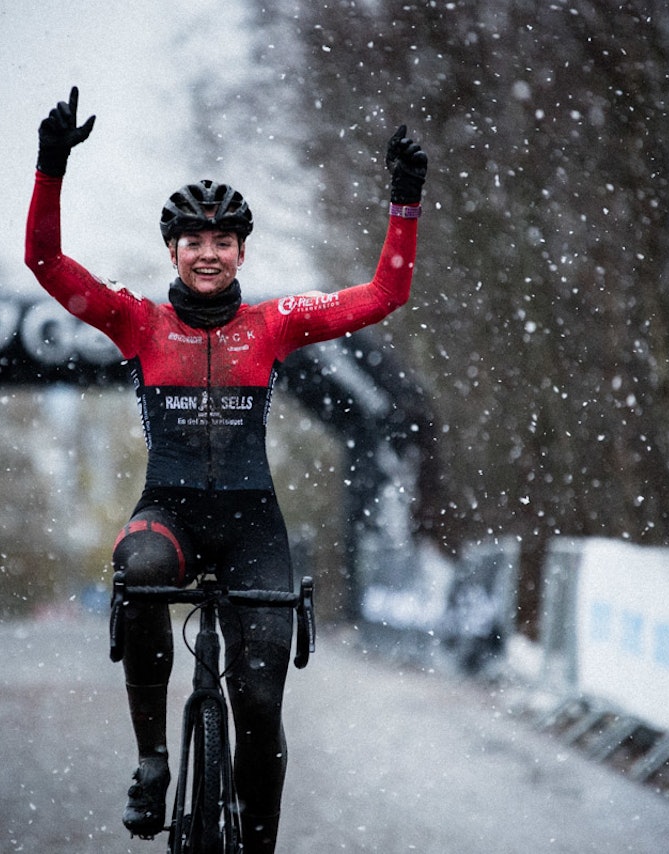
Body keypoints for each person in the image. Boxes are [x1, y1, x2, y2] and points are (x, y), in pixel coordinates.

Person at [24, 87, 427, 853]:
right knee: (138, 566)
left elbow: (385, 294)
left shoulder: (272, 324)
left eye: (223, 240)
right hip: (169, 512)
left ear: (242, 252)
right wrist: (51, 167)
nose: (208, 253)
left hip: (252, 525)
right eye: (192, 240)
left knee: (260, 700)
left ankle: (260, 843)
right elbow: (43, 261)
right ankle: (152, 762)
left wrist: (403, 204)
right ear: (172, 251)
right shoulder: (136, 321)